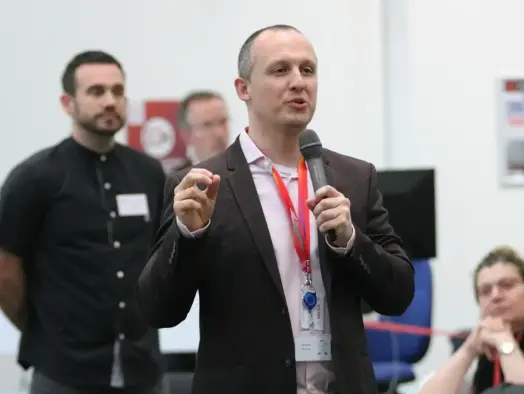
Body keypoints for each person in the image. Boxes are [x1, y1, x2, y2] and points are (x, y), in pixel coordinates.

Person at [137, 25, 414, 394]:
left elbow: (398, 296)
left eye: (308, 70)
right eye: (280, 70)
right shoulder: (201, 184)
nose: (298, 82)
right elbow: (159, 311)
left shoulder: (353, 177)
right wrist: (187, 235)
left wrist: (351, 241)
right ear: (243, 89)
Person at [0, 51, 166, 394]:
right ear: (67, 103)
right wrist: (43, 329)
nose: (110, 101)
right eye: (96, 92)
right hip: (64, 371)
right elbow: (5, 268)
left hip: (142, 369)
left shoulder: (149, 173)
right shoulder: (35, 177)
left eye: (118, 91)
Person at [420, 246, 524, 394]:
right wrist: (469, 349)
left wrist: (504, 342)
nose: (495, 296)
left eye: (507, 285)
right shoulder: (484, 342)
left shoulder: (499, 338)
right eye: (485, 291)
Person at [171, 90, 230, 172]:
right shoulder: (176, 181)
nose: (219, 133)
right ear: (186, 135)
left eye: (223, 122)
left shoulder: (246, 173)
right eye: (207, 125)